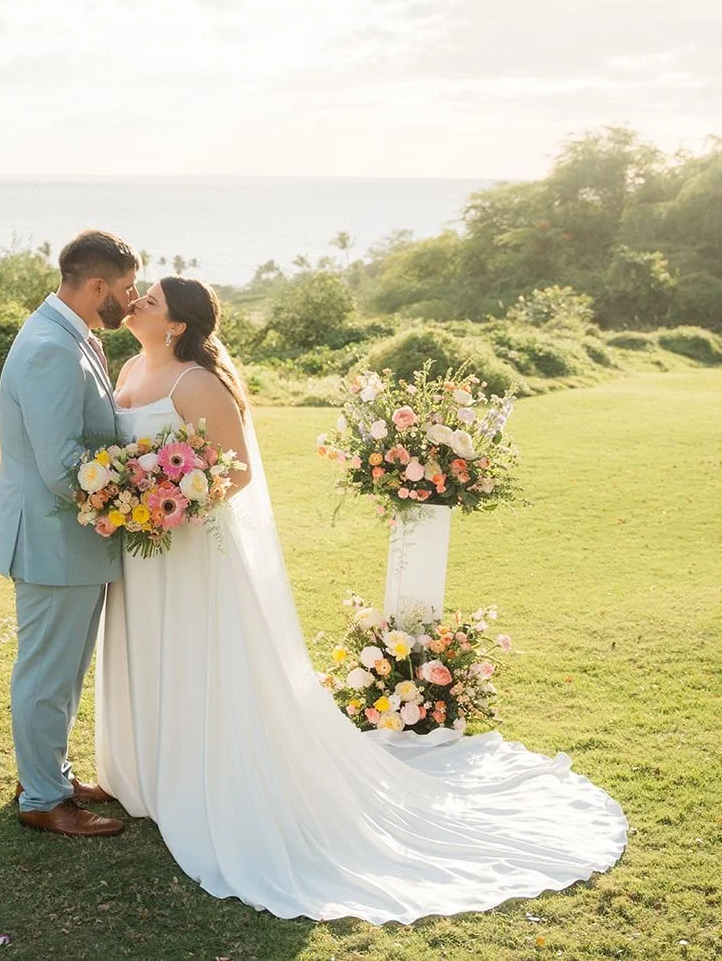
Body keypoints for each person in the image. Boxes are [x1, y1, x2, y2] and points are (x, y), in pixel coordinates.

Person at [95, 275, 627, 923]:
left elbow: (236, 470)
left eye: (152, 298)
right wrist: (128, 494)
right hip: (142, 550)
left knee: (196, 657)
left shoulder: (195, 383)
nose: (139, 300)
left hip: (188, 551)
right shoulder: (125, 365)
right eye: (141, 293)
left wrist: (165, 504)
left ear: (177, 324)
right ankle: (146, 774)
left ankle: (199, 780)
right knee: (149, 650)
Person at [0, 229, 138, 838]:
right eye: (126, 289)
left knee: (62, 670)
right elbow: (61, 464)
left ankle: (49, 775)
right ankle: (43, 799)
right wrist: (132, 496)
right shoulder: (52, 345)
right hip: (52, 538)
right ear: (97, 286)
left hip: (69, 540)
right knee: (47, 672)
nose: (132, 300)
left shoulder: (74, 335)